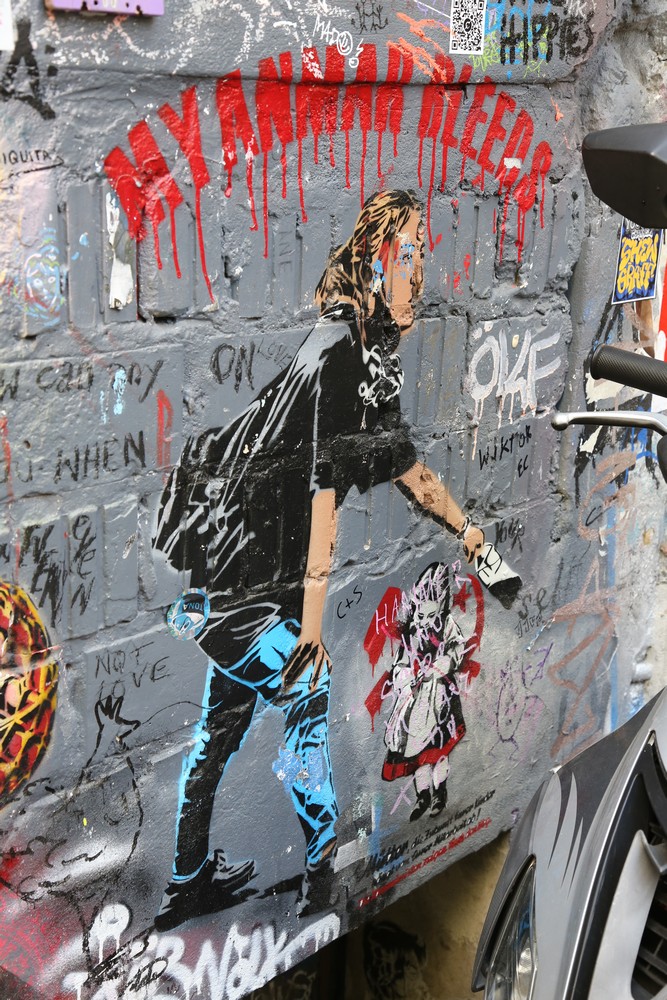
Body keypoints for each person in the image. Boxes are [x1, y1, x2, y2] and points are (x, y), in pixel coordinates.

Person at [152, 189, 485, 931]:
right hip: (246, 585)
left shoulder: (364, 356)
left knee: (219, 727)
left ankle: (185, 885)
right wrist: (308, 632)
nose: (420, 272)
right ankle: (320, 882)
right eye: (408, 254)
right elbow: (321, 498)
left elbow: (407, 468)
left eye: (422, 254)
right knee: (307, 689)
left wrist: (468, 531)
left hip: (238, 581)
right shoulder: (338, 354)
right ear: (373, 261)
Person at [382, 563, 467, 820]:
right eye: (420, 612)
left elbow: (457, 649)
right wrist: (406, 678)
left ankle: (439, 791)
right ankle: (423, 795)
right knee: (417, 755)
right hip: (415, 703)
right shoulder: (412, 632)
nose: (424, 618)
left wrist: (440, 666)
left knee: (438, 750)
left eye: (430, 612)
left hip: (440, 698)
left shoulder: (447, 625)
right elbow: (400, 665)